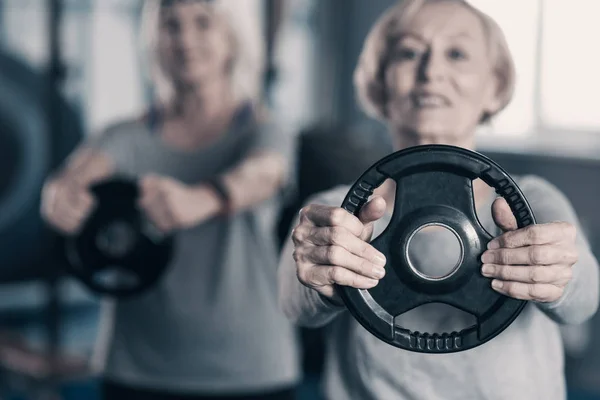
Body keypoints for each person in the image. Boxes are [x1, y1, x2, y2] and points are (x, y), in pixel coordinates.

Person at [278, 0, 600, 399]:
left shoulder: (532, 200)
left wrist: (557, 272)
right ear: (379, 81)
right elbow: (294, 303)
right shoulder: (338, 209)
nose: (431, 72)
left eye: (457, 54)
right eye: (410, 52)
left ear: (494, 86)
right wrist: (320, 273)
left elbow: (583, 298)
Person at [40, 0, 301, 399]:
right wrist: (58, 193)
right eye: (171, 26)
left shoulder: (263, 129)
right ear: (154, 41)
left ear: (231, 37)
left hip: (251, 370)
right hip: (136, 369)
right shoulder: (124, 135)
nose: (185, 40)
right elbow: (78, 173)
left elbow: (264, 173)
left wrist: (205, 197)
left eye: (202, 24)